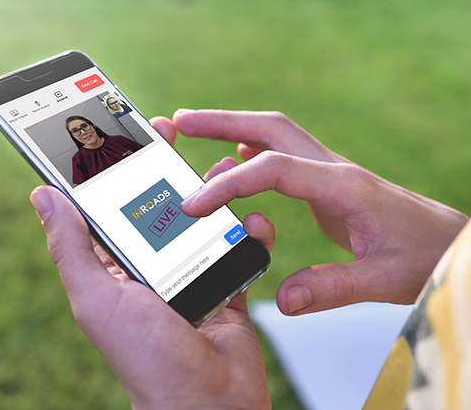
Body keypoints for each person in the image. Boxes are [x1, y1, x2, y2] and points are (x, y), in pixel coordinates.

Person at [32, 110, 470, 409]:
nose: (82, 134)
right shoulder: (78, 165)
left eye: (83, 126)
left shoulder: (125, 141)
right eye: (74, 132)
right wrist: (455, 253)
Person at [66, 115, 143, 185]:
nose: (83, 132)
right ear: (73, 137)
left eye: (84, 126)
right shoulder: (78, 159)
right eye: (75, 131)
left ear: (92, 126)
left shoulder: (119, 140)